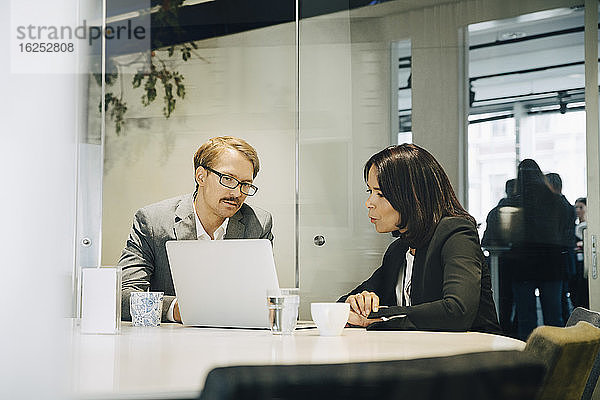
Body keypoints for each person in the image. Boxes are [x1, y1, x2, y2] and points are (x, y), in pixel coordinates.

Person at [338, 143, 501, 334]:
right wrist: (355, 303)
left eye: (380, 194)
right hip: (419, 356)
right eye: (370, 192)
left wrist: (381, 316)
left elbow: (457, 310)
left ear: (411, 195)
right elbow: (343, 305)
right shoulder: (398, 250)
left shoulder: (456, 234)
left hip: (473, 357)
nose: (369, 203)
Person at [118, 136, 274, 322]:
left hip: (236, 342)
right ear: (201, 176)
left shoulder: (258, 224)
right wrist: (178, 310)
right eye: (228, 179)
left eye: (245, 184)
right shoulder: (153, 221)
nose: (237, 193)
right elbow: (122, 296)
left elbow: (261, 298)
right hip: (171, 343)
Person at [507, 160, 568, 340]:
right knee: (553, 318)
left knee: (526, 319)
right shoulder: (557, 201)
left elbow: (510, 233)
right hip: (552, 262)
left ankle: (528, 362)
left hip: (523, 263)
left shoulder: (515, 202)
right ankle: (558, 361)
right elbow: (564, 228)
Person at [545, 173, 576, 324]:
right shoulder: (568, 206)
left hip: (558, 258)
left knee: (559, 300)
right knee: (562, 299)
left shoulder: (556, 206)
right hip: (565, 257)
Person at [571, 197, 588, 308]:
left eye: (581, 207)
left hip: (585, 264)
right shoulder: (574, 226)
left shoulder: (590, 227)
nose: (578, 210)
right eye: (576, 207)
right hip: (575, 264)